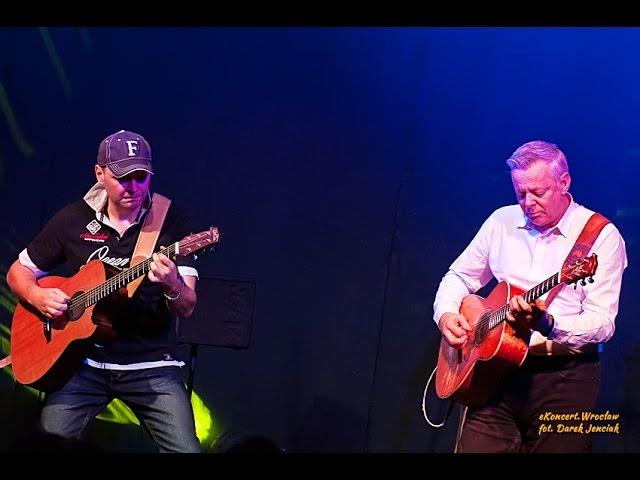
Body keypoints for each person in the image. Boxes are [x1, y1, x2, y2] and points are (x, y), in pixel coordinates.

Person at [6, 129, 201, 453]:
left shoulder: (171, 221)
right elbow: (18, 271)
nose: (133, 187)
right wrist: (37, 296)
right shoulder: (73, 218)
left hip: (151, 364)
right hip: (82, 363)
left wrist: (172, 284)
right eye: (123, 177)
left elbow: (188, 305)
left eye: (141, 177)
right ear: (100, 173)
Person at [433, 140, 627, 453]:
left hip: (564, 379)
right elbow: (458, 276)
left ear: (564, 182)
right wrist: (445, 314)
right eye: (520, 193)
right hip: (495, 373)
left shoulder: (600, 237)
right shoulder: (501, 221)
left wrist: (547, 323)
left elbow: (603, 323)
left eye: (538, 192)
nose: (528, 202)